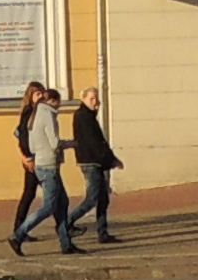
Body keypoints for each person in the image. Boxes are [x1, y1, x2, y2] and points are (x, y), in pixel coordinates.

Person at [8, 85, 82, 256]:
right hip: (48, 165)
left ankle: (66, 244)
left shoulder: (34, 113)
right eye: (58, 105)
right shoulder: (48, 114)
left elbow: (28, 141)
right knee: (48, 207)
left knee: (62, 203)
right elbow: (55, 142)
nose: (58, 108)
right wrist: (72, 144)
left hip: (41, 163)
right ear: (53, 101)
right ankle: (18, 235)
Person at [66, 86, 124, 244]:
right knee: (92, 198)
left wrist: (112, 158)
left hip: (97, 162)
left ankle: (103, 232)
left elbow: (101, 142)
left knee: (103, 199)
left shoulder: (90, 116)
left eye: (96, 99)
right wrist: (110, 160)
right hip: (90, 162)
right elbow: (94, 143)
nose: (95, 102)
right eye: (91, 99)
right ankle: (66, 223)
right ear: (83, 99)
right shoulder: (83, 116)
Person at [9, 82, 47, 229]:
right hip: (34, 158)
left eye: (42, 93)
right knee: (40, 194)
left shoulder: (39, 111)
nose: (41, 96)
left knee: (39, 194)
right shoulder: (30, 111)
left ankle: (19, 228)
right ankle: (19, 229)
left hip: (37, 157)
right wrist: (27, 156)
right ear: (30, 96)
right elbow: (22, 134)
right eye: (38, 94)